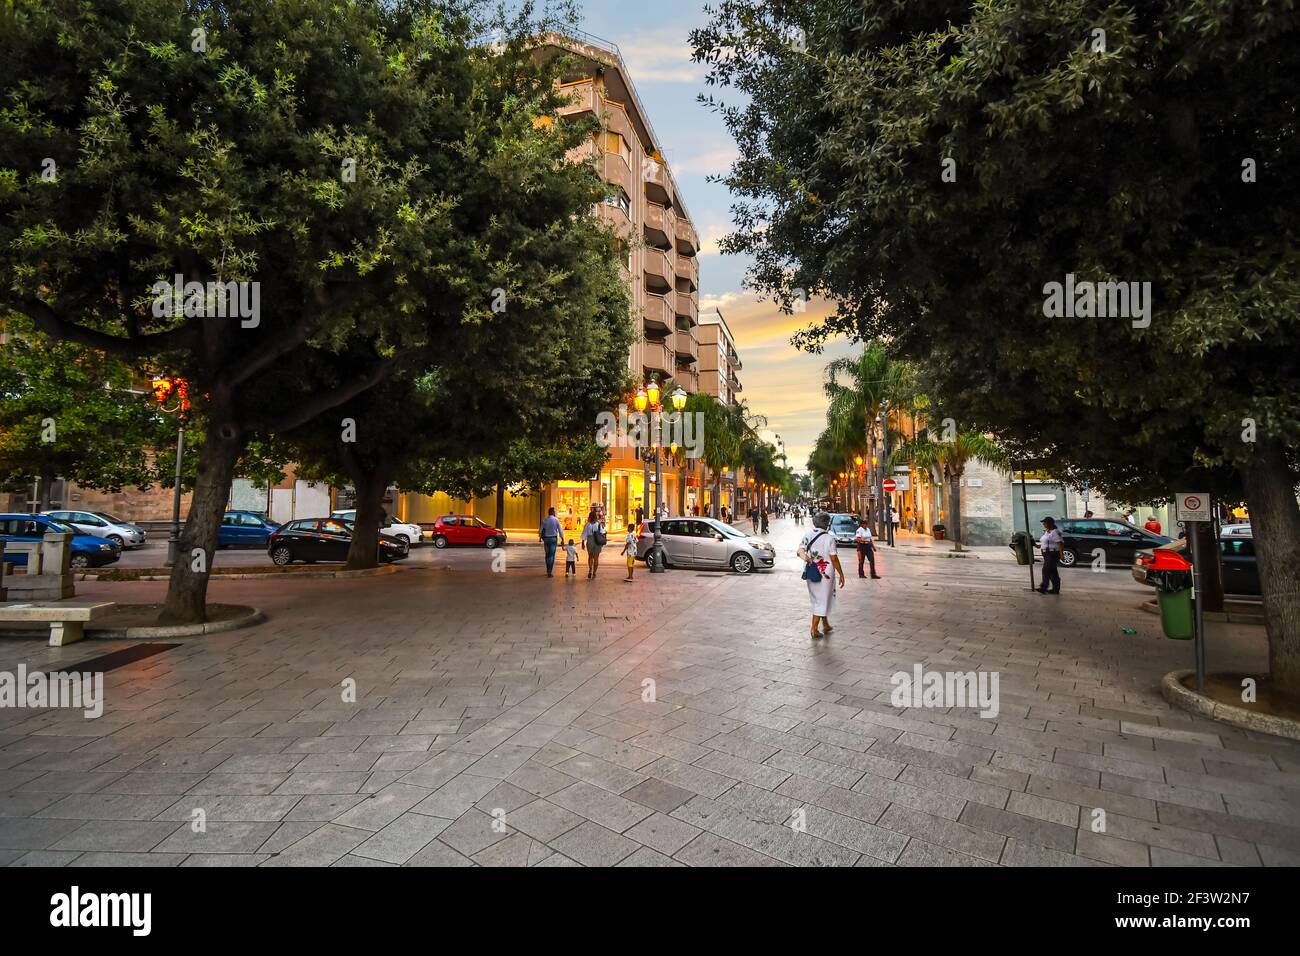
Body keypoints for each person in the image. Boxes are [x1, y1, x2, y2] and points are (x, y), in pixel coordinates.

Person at [798, 512, 845, 639]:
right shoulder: (829, 538)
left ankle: (825, 624)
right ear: (827, 523)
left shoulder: (808, 534)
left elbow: (800, 551)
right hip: (825, 574)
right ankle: (814, 629)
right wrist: (841, 573)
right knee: (823, 599)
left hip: (811, 570)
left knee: (817, 598)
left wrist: (808, 559)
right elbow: (834, 558)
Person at [1037, 516, 1063, 595]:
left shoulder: (1055, 532)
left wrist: (1062, 555)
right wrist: (1037, 545)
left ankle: (1043, 587)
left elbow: (1060, 543)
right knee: (1053, 572)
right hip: (1046, 553)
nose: (1043, 524)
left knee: (1046, 570)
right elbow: (1044, 542)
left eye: (1045, 523)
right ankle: (1055, 589)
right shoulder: (1047, 532)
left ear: (1050, 524)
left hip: (1052, 554)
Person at [581, 508, 605, 579]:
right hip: (597, 542)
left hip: (590, 541)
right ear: (596, 517)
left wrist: (582, 543)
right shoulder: (598, 524)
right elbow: (603, 533)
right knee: (596, 558)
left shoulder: (587, 525)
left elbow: (584, 534)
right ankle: (594, 573)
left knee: (590, 556)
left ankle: (590, 570)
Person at [539, 507, 563, 578]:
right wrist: (562, 539)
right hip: (553, 539)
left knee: (547, 554)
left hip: (546, 539)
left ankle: (548, 569)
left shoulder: (545, 520)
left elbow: (540, 530)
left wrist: (540, 538)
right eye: (554, 512)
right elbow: (560, 530)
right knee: (552, 555)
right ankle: (550, 571)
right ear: (553, 512)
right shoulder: (556, 520)